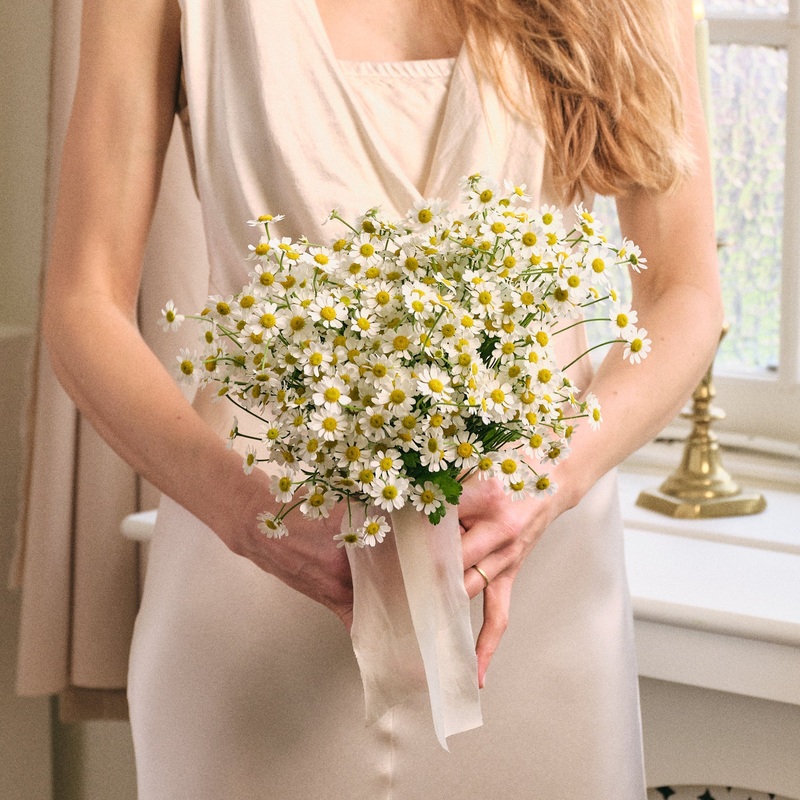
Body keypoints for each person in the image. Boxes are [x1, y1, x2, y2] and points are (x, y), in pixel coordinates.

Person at [42, 0, 722, 797]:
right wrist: (245, 515)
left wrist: (551, 480)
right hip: (258, 574)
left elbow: (685, 292)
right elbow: (81, 305)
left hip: (530, 584)